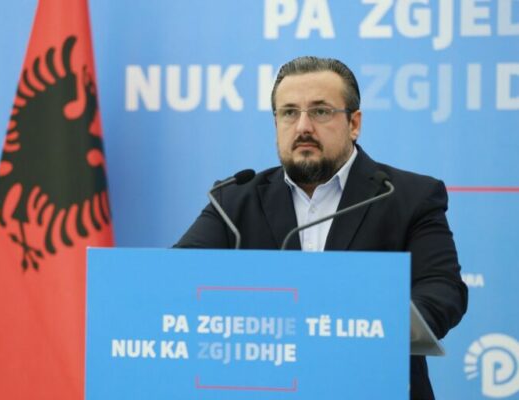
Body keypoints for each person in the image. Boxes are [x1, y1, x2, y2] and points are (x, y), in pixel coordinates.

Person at [175, 56, 468, 399]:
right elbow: (177, 279)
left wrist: (377, 329)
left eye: (320, 111)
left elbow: (442, 288)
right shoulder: (233, 200)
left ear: (354, 123)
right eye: (289, 112)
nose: (303, 127)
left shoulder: (408, 195)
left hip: (374, 384)